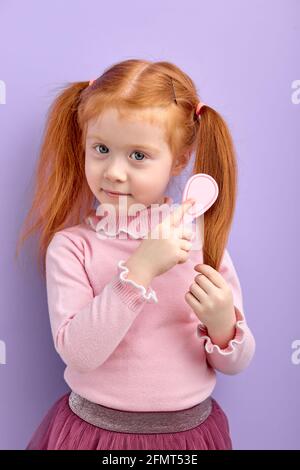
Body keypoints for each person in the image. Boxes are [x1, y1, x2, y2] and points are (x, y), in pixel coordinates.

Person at [16, 59, 256, 450]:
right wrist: (141, 269)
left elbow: (236, 363)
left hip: (189, 440)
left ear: (179, 161)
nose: (113, 171)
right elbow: (79, 353)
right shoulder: (74, 247)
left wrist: (222, 323)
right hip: (95, 437)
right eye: (101, 149)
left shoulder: (200, 244)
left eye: (138, 156)